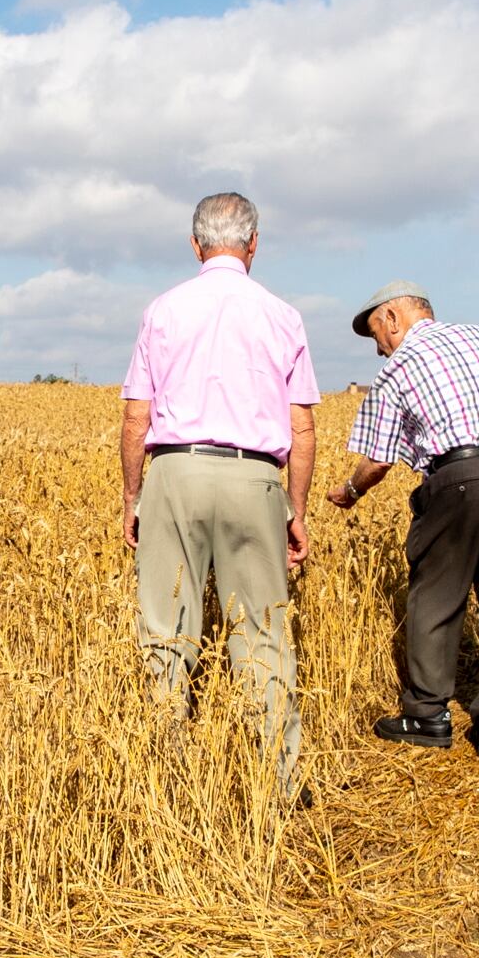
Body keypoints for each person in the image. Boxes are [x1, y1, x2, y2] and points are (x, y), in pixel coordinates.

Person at [120, 192, 319, 783]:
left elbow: (136, 418)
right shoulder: (283, 315)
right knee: (261, 636)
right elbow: (303, 426)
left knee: (165, 633)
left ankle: (165, 779)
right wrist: (295, 509)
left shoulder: (162, 310)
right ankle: (278, 785)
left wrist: (133, 499)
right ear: (254, 243)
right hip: (255, 477)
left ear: (194, 244)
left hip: (174, 473)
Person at [325, 281, 479, 761]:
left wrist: (350, 491)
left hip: (461, 476)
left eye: (375, 335)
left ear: (393, 318)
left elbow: (378, 461)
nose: (378, 349)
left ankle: (427, 715)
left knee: (436, 593)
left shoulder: (400, 366)